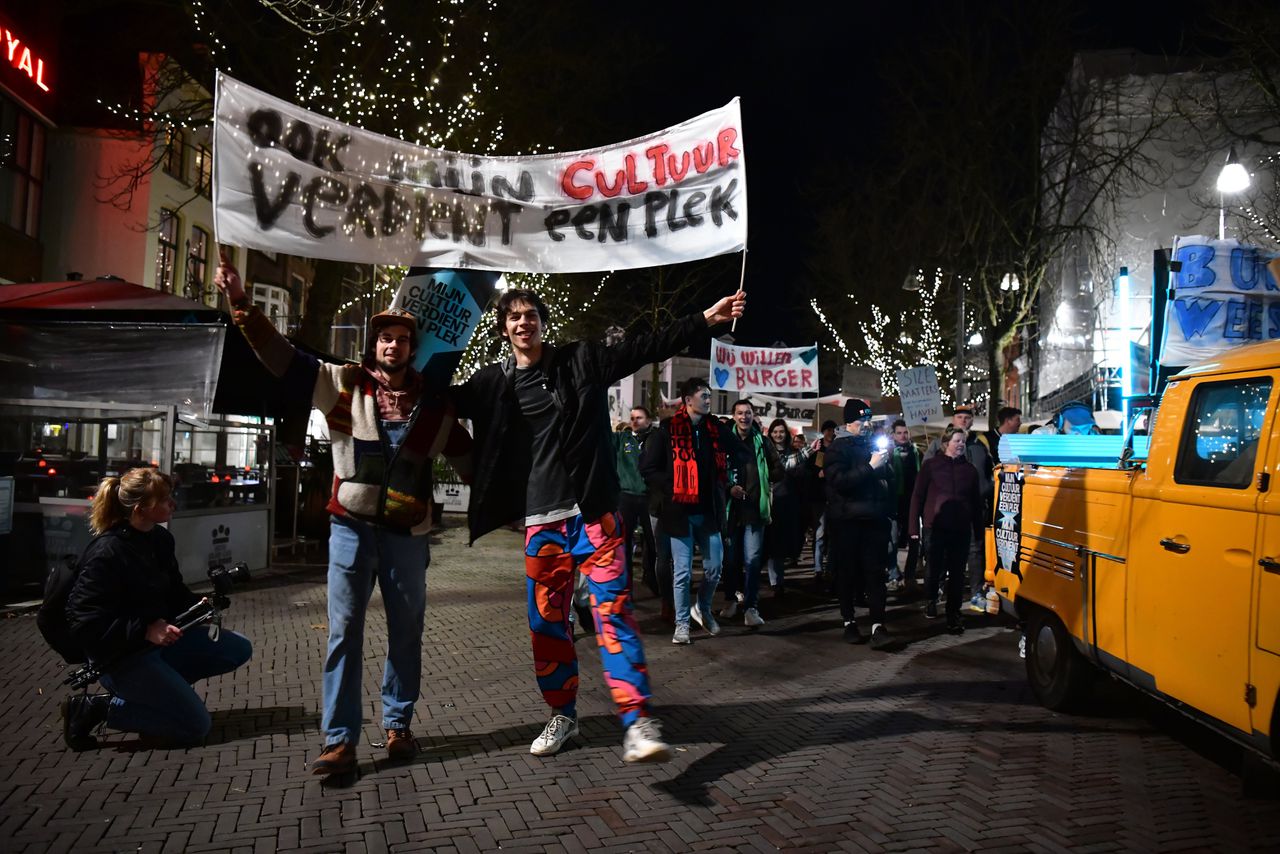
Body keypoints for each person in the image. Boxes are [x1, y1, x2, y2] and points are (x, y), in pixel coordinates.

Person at [450, 288, 745, 763]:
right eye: (514, 318)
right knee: (546, 626)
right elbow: (440, 398)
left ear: (543, 322)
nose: (523, 323)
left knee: (613, 612)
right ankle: (563, 716)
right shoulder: (493, 385)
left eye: (530, 315)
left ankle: (637, 720)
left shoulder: (581, 361)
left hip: (593, 517)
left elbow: (645, 345)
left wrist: (704, 319)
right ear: (504, 328)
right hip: (541, 526)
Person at [215, 258, 472, 775]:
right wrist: (240, 303)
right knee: (344, 630)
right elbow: (281, 357)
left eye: (401, 338)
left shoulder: (437, 407)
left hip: (407, 536)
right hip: (350, 530)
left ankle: (398, 725)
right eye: (385, 338)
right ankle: (339, 740)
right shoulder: (342, 385)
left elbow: (474, 465)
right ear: (373, 345)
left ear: (412, 347)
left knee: (407, 631)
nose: (392, 345)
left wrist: (515, 502)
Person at [61, 468, 253, 751]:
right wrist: (145, 629)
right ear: (141, 509)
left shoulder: (159, 539)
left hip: (154, 647)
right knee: (195, 727)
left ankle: (160, 696)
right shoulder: (107, 552)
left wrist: (198, 604)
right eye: (164, 499)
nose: (172, 504)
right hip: (120, 655)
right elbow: (83, 621)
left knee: (237, 647)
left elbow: (172, 591)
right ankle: (98, 709)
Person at [641, 377, 732, 642]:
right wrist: (673, 485)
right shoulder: (667, 431)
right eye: (704, 396)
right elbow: (647, 468)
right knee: (681, 572)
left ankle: (701, 607)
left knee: (715, 567)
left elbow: (728, 458)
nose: (708, 400)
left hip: (707, 513)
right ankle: (682, 624)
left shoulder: (712, 429)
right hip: (679, 513)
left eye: (709, 396)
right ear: (688, 400)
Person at [824, 399, 895, 649]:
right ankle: (849, 621)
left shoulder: (873, 445)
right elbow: (839, 482)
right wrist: (870, 466)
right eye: (860, 421)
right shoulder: (836, 449)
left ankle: (878, 625)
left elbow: (886, 480)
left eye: (868, 421)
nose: (865, 425)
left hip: (874, 519)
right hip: (847, 521)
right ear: (848, 423)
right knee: (848, 572)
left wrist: (885, 468)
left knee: (875, 573)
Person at [909, 425, 984, 633]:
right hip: (935, 527)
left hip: (960, 529)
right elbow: (917, 496)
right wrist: (913, 526)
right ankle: (931, 599)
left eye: (963, 441)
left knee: (958, 573)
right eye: (957, 441)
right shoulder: (931, 466)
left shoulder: (970, 471)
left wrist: (978, 532)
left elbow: (976, 503)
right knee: (933, 568)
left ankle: (953, 612)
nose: (961, 445)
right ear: (945, 444)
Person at [924, 403, 993, 612]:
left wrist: (986, 493)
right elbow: (925, 478)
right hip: (944, 513)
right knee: (941, 555)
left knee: (975, 551)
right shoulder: (938, 445)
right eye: (960, 417)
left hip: (973, 510)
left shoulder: (980, 447)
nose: (964, 420)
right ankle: (934, 595)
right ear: (953, 420)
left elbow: (989, 475)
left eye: (967, 417)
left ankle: (976, 593)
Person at [720, 401, 783, 624]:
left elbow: (779, 470)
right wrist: (729, 488)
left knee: (753, 560)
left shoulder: (763, 442)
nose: (744, 417)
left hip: (755, 509)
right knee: (729, 560)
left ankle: (751, 608)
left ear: (753, 416)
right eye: (740, 413)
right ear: (733, 416)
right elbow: (717, 471)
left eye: (748, 413)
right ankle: (730, 600)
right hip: (730, 510)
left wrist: (766, 475)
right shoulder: (724, 441)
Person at [764, 419, 816, 597]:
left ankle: (778, 579)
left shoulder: (793, 453)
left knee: (783, 546)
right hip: (770, 503)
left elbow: (800, 473)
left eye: (781, 432)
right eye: (775, 432)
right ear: (770, 434)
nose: (778, 435)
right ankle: (774, 582)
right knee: (771, 545)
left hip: (789, 503)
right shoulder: (765, 452)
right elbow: (782, 465)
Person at [888, 419, 923, 592]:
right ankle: (894, 574)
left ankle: (909, 576)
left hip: (913, 504)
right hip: (893, 504)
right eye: (899, 433)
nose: (903, 436)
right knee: (892, 542)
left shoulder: (917, 452)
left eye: (905, 432)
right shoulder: (887, 453)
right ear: (893, 435)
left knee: (915, 541)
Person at [807, 419, 838, 586]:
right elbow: (815, 471)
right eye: (827, 430)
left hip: (833, 498)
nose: (830, 433)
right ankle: (818, 569)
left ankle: (830, 568)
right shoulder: (818, 450)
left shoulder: (838, 447)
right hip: (819, 497)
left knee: (832, 535)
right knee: (819, 535)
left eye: (832, 430)